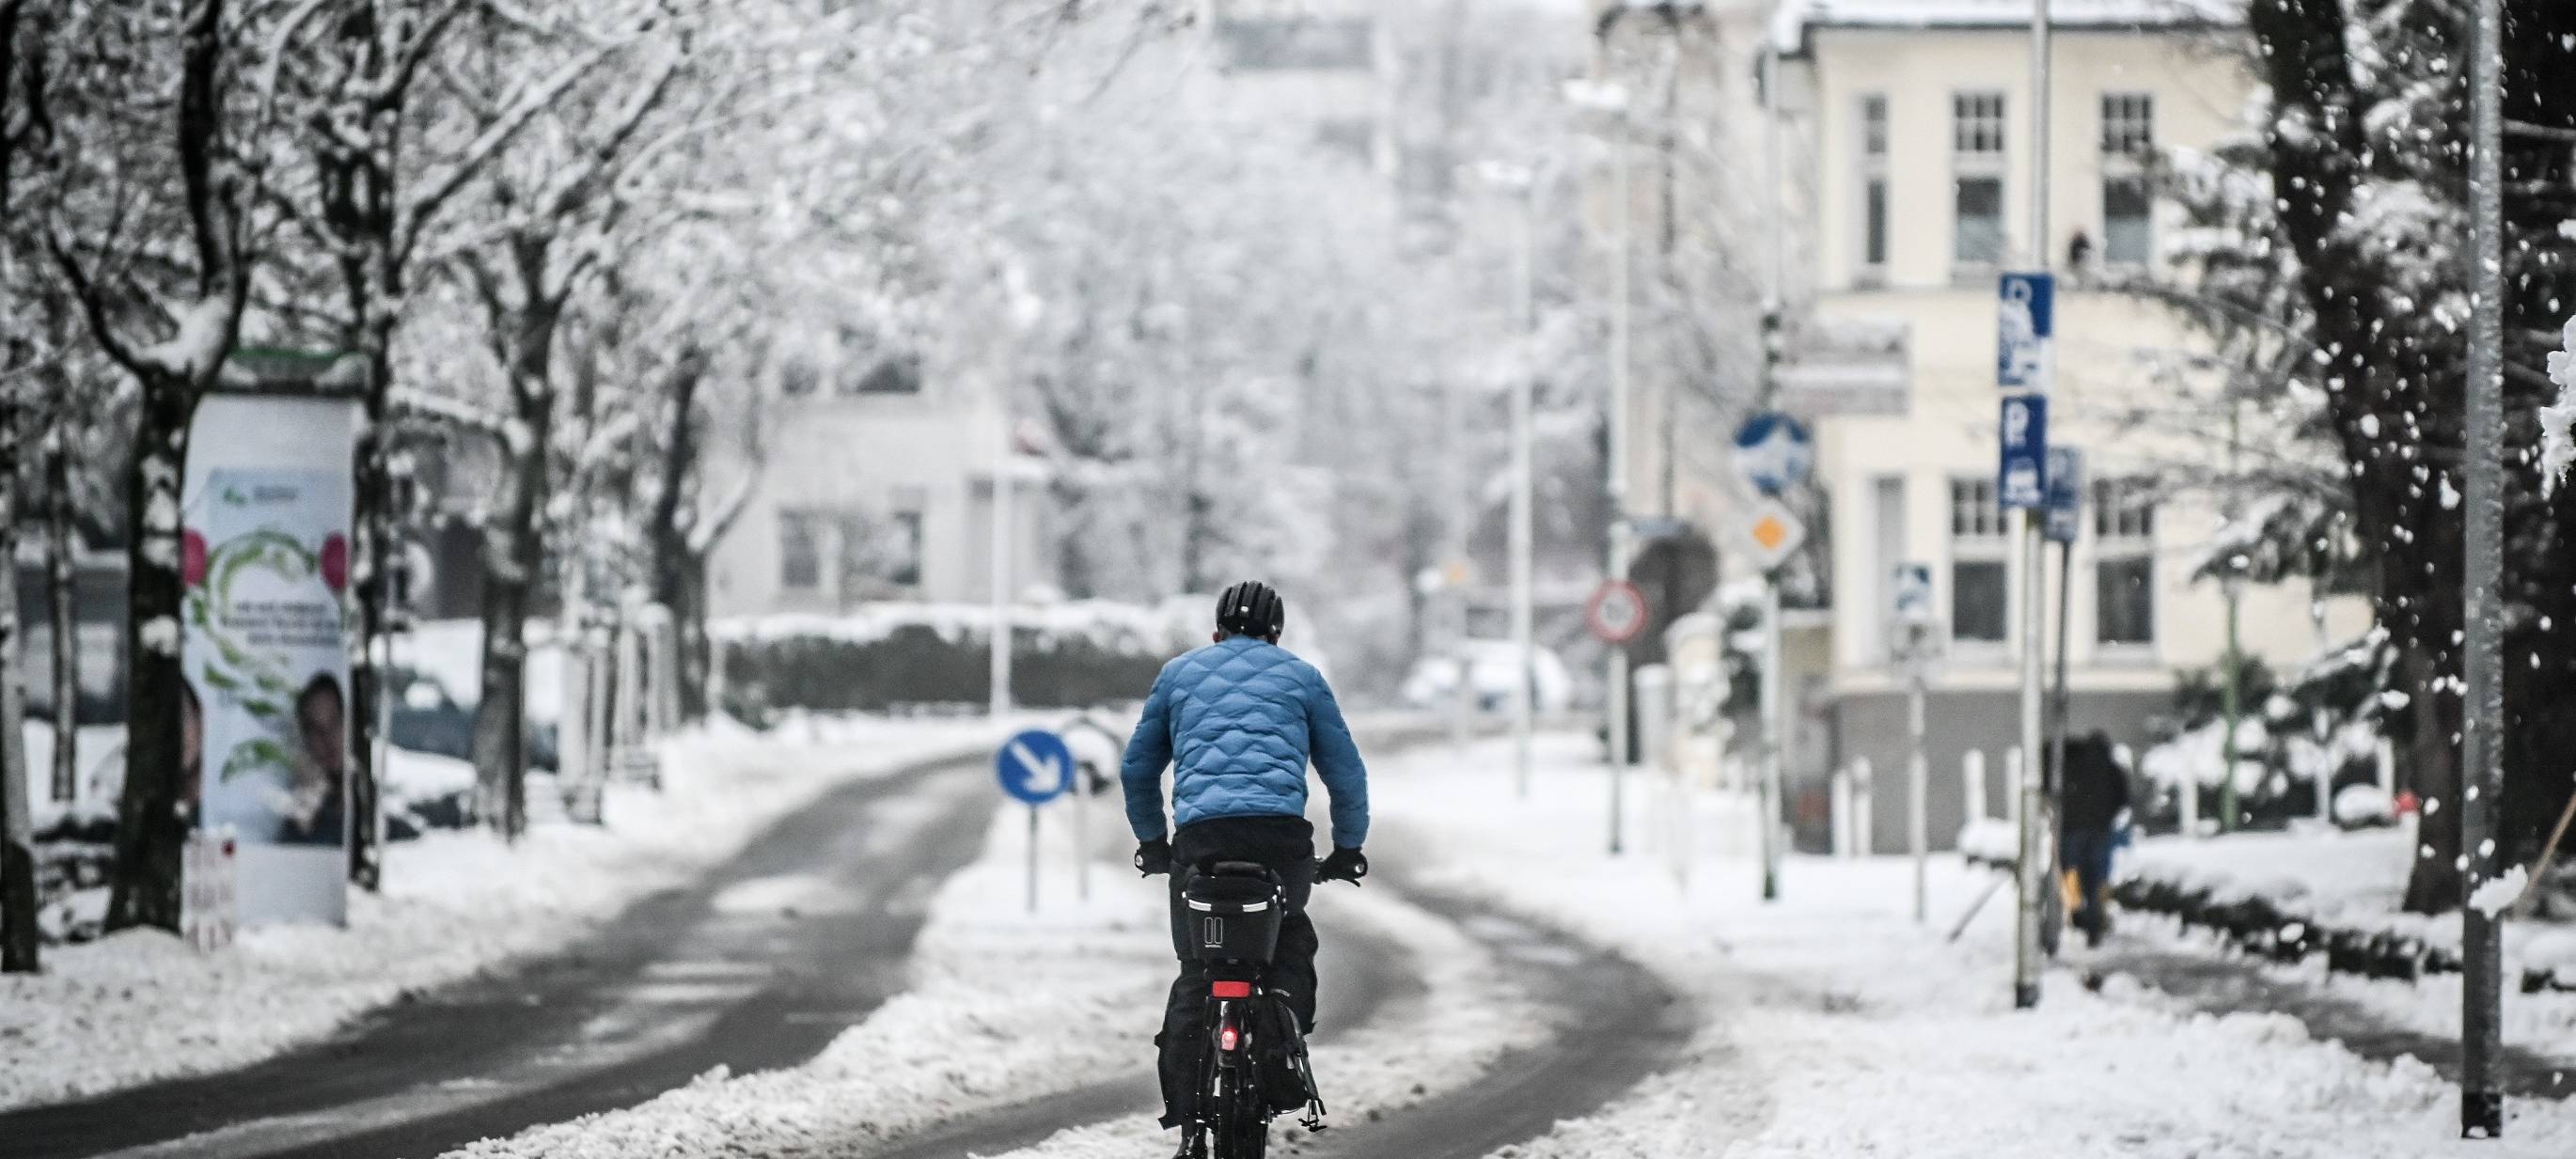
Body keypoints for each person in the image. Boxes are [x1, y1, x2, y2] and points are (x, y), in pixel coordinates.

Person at [1121, 580, 1369, 1144]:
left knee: (1198, 967)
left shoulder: (1178, 675)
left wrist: (1153, 842)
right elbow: (1346, 773)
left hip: (1201, 843)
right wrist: (1348, 848)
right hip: (1280, 843)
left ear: (1217, 632)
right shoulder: (1302, 678)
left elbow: (1137, 768)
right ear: (1276, 634)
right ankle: (1279, 1033)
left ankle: (1189, 1119)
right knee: (1289, 937)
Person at [2059, 730, 2130, 948]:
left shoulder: (2071, 765)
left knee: (2071, 872)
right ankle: (2094, 924)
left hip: (2072, 830)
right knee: (2097, 878)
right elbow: (2123, 799)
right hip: (2100, 831)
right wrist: (2106, 817)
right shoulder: (2112, 769)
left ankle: (2074, 910)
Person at [281, 673, 348, 847]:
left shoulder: (373, 800)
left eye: (334, 723)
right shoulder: (306, 806)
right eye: (315, 730)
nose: (327, 738)